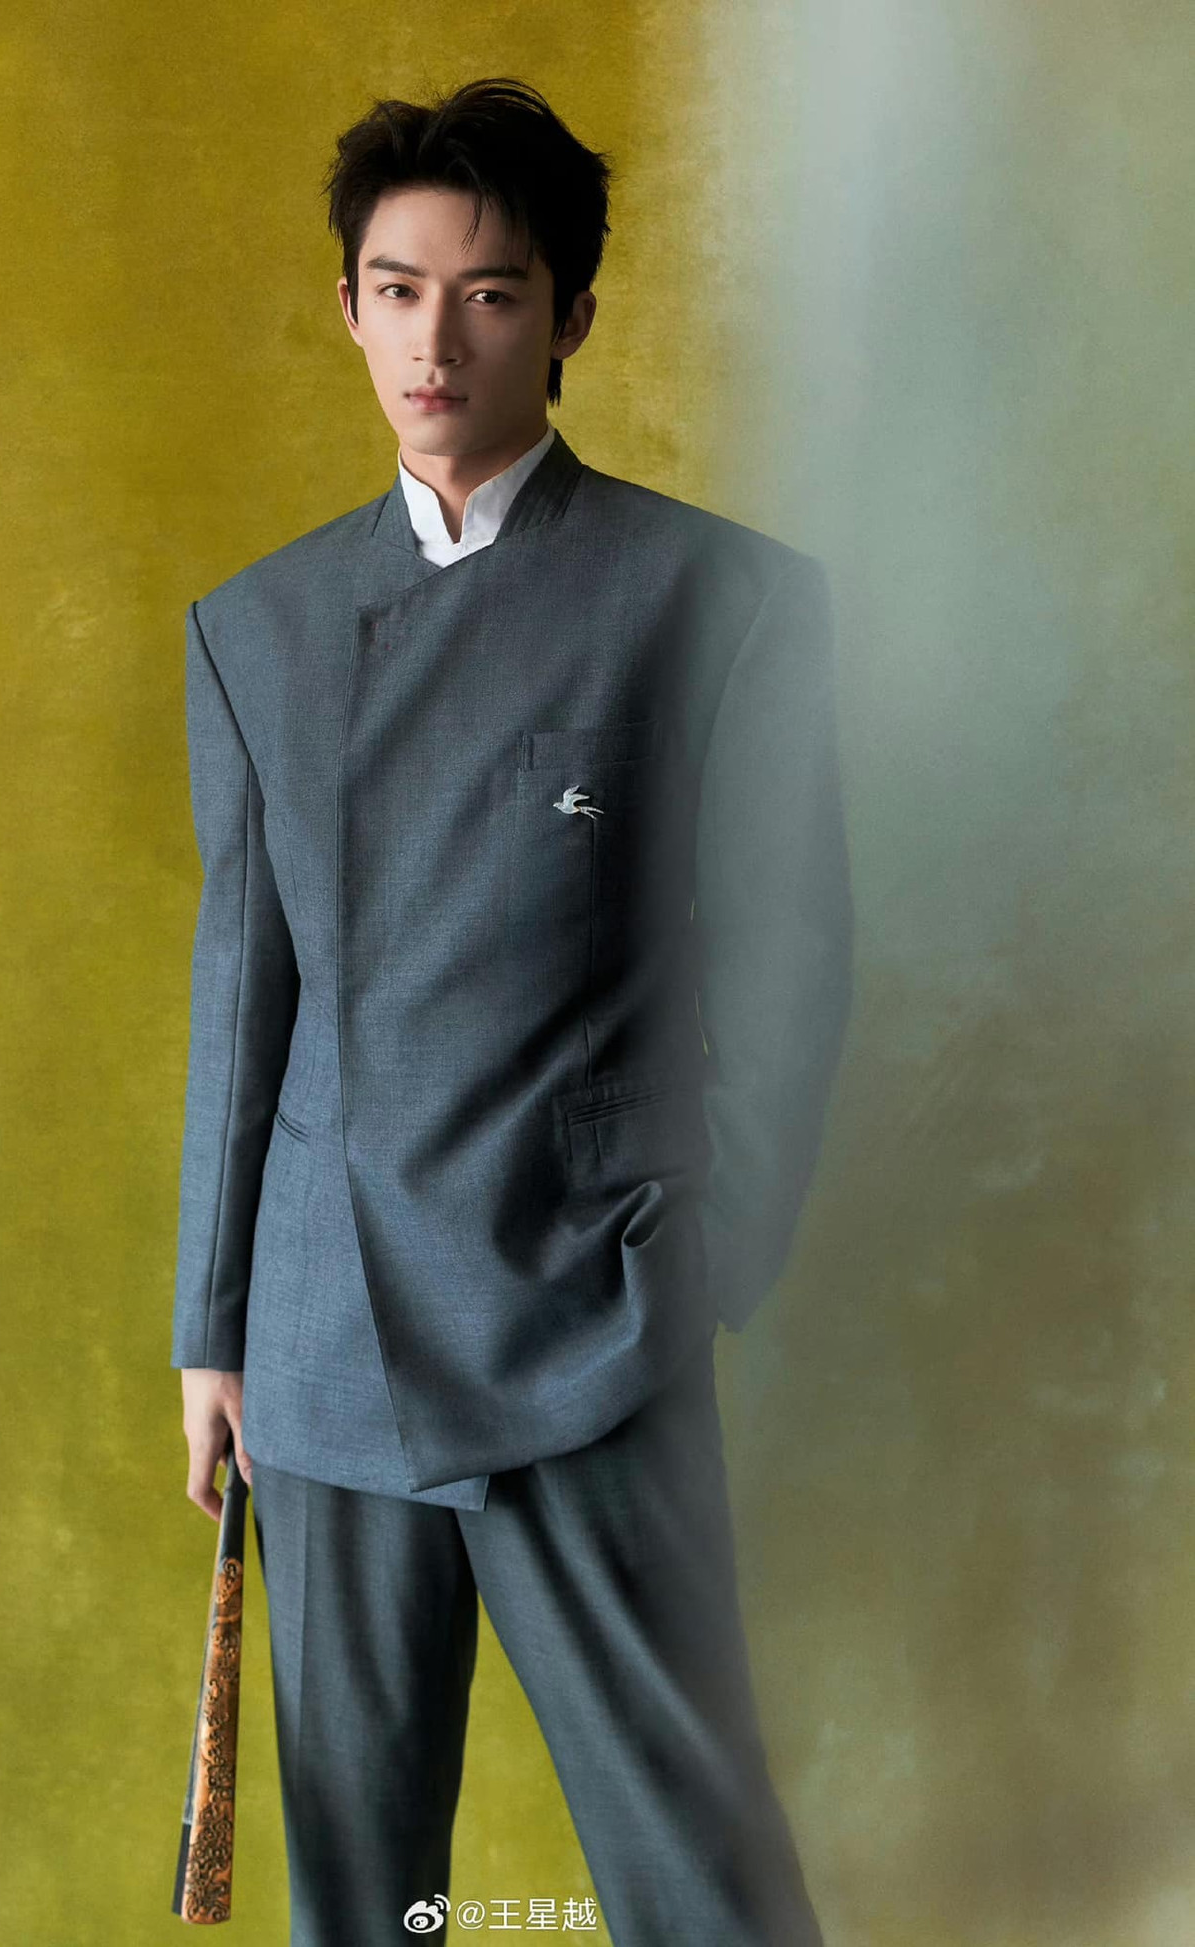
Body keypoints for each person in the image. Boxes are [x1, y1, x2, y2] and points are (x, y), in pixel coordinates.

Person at [173, 75, 851, 1946]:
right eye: (397, 292)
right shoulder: (256, 628)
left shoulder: (711, 599)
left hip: (585, 1311)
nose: (436, 341)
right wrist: (212, 1327)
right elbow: (245, 989)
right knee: (362, 1895)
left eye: (488, 294)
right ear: (346, 308)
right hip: (321, 1335)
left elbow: (790, 961)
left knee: (697, 1878)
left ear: (570, 315)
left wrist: (698, 1257)